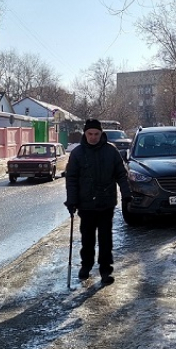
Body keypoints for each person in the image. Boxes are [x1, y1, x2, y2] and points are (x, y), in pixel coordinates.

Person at [64, 118, 132, 284]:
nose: (93, 137)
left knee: (105, 239)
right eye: (90, 134)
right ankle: (86, 266)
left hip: (106, 203)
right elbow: (71, 178)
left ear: (101, 134)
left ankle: (105, 270)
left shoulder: (111, 151)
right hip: (85, 204)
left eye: (96, 134)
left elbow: (121, 174)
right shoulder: (78, 153)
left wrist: (126, 193)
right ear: (85, 134)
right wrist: (71, 200)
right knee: (87, 239)